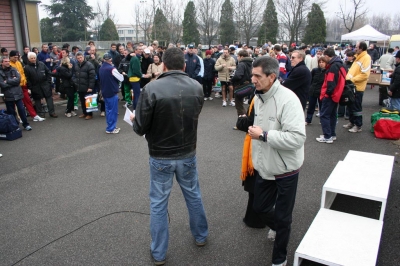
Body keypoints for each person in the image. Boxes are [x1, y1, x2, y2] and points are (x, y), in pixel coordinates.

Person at [131, 47, 208, 266]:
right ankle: (201, 236)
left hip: (161, 155)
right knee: (193, 195)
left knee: (158, 203)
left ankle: (159, 253)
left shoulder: (151, 88)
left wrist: (134, 120)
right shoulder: (197, 87)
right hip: (187, 151)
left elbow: (140, 127)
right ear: (184, 65)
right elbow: (195, 115)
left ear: (163, 65)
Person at [247, 56, 306, 266]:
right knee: (261, 208)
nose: (252, 79)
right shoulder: (259, 96)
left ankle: (280, 259)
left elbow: (298, 138)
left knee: (283, 217)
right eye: (252, 74)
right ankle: (280, 226)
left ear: (272, 77)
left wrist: (264, 135)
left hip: (286, 169)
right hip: (265, 166)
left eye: (257, 75)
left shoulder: (289, 100)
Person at [316, 48, 346, 143]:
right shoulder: (341, 64)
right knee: (333, 115)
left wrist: (327, 94)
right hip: (337, 94)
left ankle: (327, 136)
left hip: (331, 95)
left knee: (324, 115)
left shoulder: (333, 67)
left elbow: (330, 82)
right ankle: (331, 134)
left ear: (327, 56)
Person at [9, 50, 45, 122]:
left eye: (17, 57)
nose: (16, 59)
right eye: (14, 57)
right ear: (10, 57)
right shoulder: (9, 65)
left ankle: (34, 115)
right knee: (16, 104)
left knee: (28, 101)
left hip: (23, 85)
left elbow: (23, 74)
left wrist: (25, 83)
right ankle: (19, 118)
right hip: (15, 86)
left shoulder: (19, 63)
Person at [343, 41, 371, 133]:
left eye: (357, 47)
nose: (355, 48)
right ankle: (352, 122)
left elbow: (365, 75)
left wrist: (352, 80)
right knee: (350, 105)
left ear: (361, 48)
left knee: (356, 106)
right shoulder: (357, 57)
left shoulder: (366, 58)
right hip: (351, 86)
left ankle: (358, 125)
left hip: (357, 87)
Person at [0, 56, 32, 130]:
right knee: (11, 112)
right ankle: (15, 125)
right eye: (5, 61)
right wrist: (12, 81)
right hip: (8, 94)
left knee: (21, 109)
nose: (8, 63)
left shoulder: (14, 69)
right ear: (2, 62)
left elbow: (18, 80)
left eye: (8, 61)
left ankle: (26, 124)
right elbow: (2, 84)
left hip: (17, 93)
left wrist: (7, 81)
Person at [24, 52, 58, 118]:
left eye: (34, 58)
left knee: (49, 98)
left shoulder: (41, 64)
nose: (33, 59)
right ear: (29, 59)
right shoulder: (27, 67)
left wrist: (48, 82)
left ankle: (52, 112)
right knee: (37, 100)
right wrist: (30, 87)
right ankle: (40, 113)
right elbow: (27, 78)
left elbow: (48, 72)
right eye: (32, 58)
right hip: (35, 86)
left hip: (45, 84)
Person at [99, 53, 124, 134]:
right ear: (110, 59)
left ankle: (111, 126)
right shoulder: (112, 69)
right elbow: (121, 78)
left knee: (108, 110)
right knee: (113, 111)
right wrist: (122, 74)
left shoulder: (101, 68)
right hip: (112, 91)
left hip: (104, 91)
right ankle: (111, 128)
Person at [73, 52, 96, 120]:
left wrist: (90, 87)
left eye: (81, 57)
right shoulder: (76, 65)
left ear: (83, 57)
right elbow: (74, 75)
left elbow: (92, 77)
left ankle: (90, 114)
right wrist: (75, 82)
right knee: (82, 101)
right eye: (78, 58)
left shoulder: (89, 65)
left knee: (89, 100)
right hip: (80, 86)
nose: (80, 59)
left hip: (87, 86)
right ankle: (84, 113)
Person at [305, 56, 327, 125]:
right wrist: (310, 87)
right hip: (313, 90)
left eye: (323, 62)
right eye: (320, 62)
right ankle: (308, 120)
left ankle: (322, 120)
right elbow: (310, 79)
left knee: (322, 107)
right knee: (311, 106)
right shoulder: (315, 70)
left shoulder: (327, 72)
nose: (321, 64)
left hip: (322, 92)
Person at [231, 49, 253, 116]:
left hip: (241, 86)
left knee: (239, 106)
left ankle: (242, 123)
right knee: (242, 105)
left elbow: (238, 75)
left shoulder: (241, 64)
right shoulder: (250, 63)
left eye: (238, 56)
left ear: (242, 56)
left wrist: (232, 79)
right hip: (249, 85)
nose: (237, 58)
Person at [128, 45, 142, 110]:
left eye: (141, 49)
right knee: (137, 95)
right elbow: (136, 70)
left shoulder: (135, 58)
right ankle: (136, 109)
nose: (140, 50)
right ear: (135, 50)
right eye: (139, 49)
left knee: (135, 94)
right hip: (135, 78)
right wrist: (141, 75)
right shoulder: (135, 58)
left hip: (133, 78)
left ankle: (135, 108)